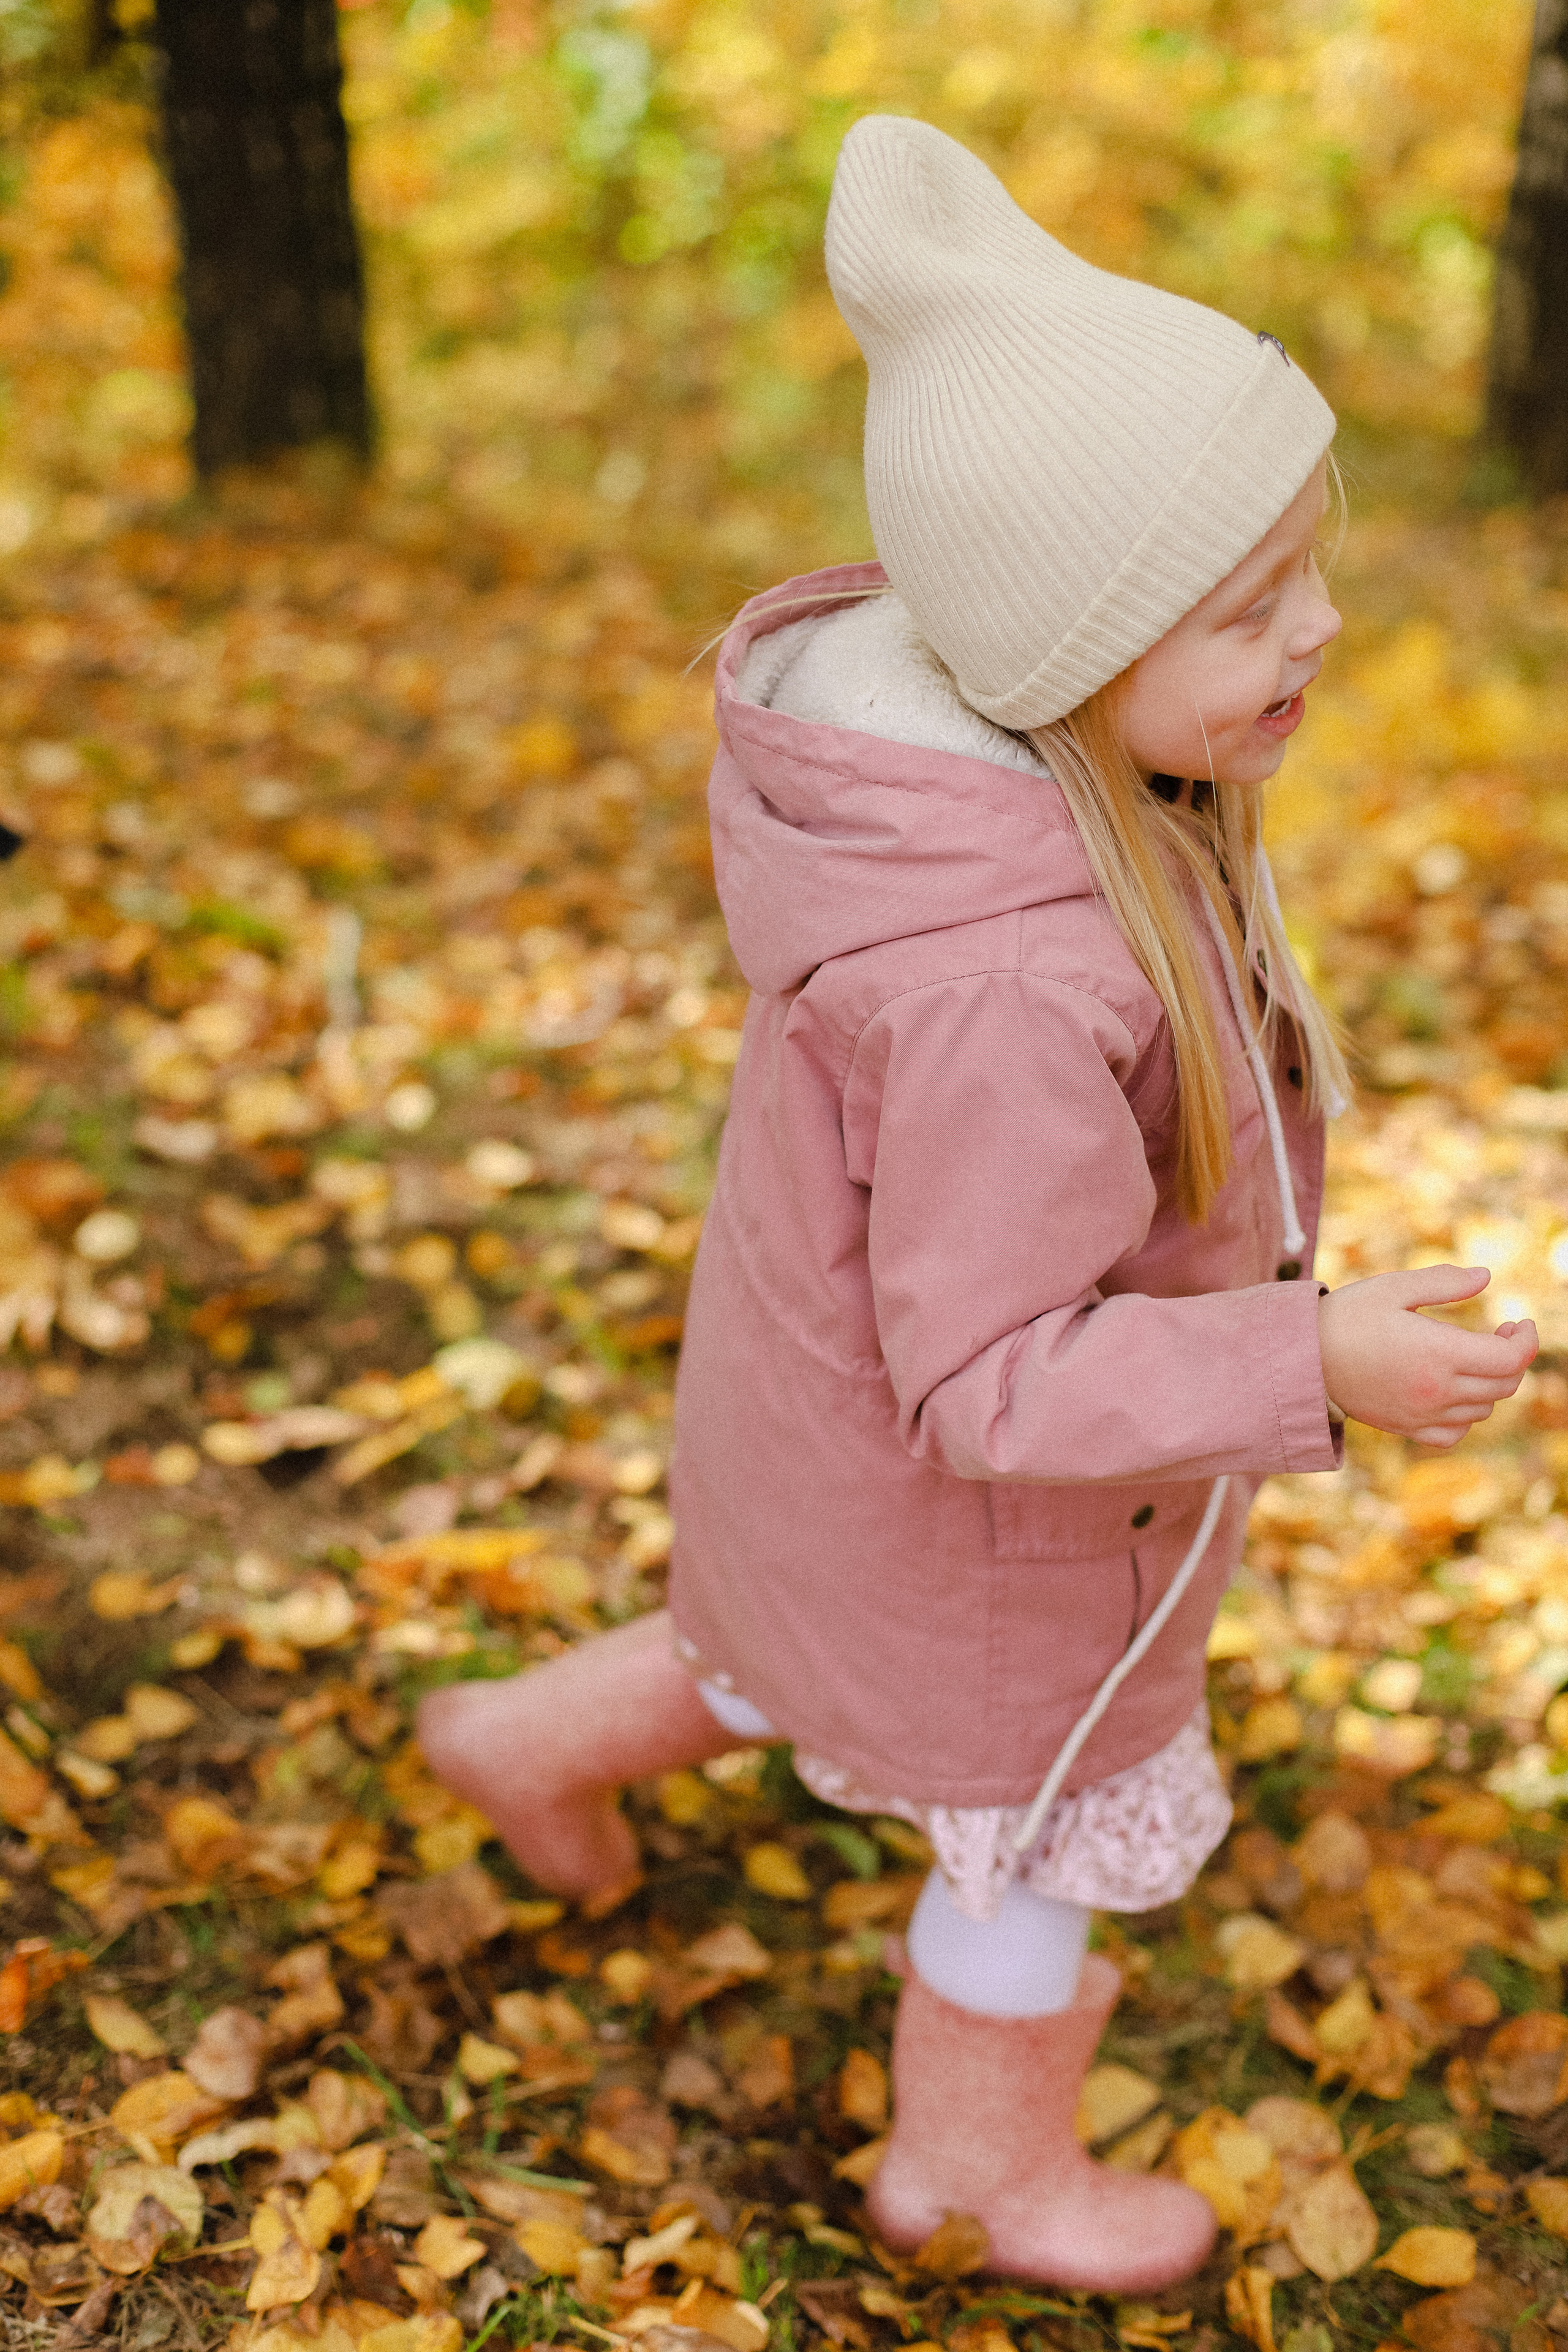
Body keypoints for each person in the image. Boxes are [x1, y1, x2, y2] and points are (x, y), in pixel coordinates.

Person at [419, 116, 1537, 2293]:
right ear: (1065, 647)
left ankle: (505, 1746)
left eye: (1318, 559)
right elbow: (999, 1368)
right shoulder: (1012, 971)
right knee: (1024, 1835)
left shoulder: (1061, 790)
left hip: (815, 1455)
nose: (1326, 621)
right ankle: (976, 2175)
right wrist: (1310, 1351)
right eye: (1251, 602)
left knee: (772, 1653)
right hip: (981, 1515)